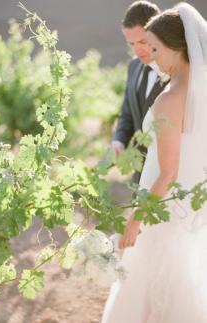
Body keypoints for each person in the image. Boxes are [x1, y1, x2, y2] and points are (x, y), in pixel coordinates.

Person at [102, 3, 207, 322]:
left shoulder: (169, 99)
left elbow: (167, 173)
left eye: (155, 48)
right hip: (187, 203)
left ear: (178, 48)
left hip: (159, 205)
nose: (150, 54)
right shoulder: (196, 91)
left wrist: (134, 221)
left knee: (148, 285)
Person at [112, 1, 169, 184]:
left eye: (142, 41)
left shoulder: (175, 73)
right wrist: (119, 140)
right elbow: (128, 111)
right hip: (139, 174)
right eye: (131, 43)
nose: (137, 50)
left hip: (167, 174)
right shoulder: (134, 66)